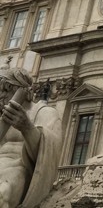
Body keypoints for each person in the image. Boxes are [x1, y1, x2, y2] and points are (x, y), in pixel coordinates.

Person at [0, 67, 62, 208]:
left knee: (2, 194)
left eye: (3, 91)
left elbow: (48, 154)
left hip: (20, 169)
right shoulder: (1, 115)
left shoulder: (45, 113)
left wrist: (27, 128)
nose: (0, 97)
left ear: (16, 90)